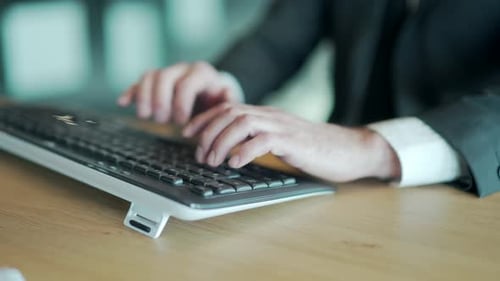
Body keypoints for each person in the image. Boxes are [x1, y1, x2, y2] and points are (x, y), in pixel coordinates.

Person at [118, 0, 500, 197]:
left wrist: (371, 146)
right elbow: (277, 41)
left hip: (476, 199)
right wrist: (224, 87)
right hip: (345, 193)